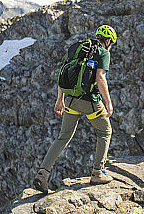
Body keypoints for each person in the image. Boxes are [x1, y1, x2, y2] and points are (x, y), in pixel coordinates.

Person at [33, 25, 117, 192]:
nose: (111, 46)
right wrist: (108, 102)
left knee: (63, 137)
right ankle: (97, 173)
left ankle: (42, 174)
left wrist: (60, 99)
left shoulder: (81, 49)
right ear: (108, 41)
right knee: (104, 132)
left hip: (71, 100)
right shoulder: (103, 53)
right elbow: (100, 77)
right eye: (112, 43)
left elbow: (65, 73)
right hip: (90, 102)